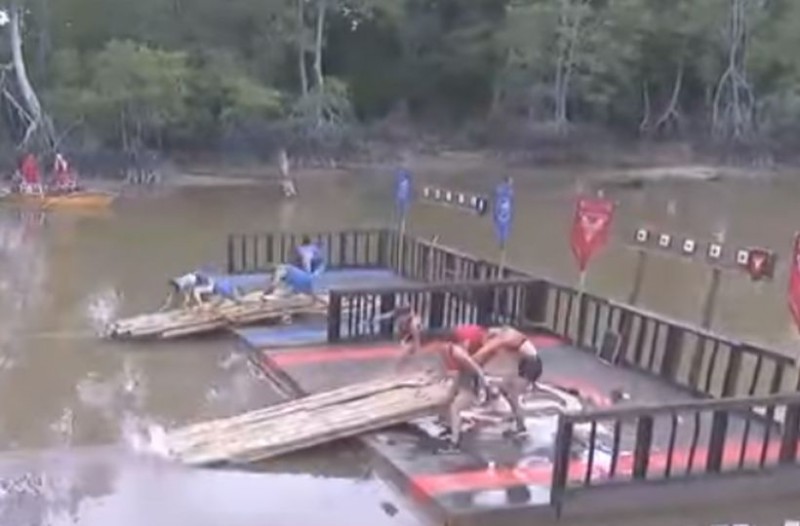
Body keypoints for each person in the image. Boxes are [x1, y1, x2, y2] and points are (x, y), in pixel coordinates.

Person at [469, 326, 545, 435]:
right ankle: (515, 415)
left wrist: (467, 360)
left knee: (513, 396)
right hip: (526, 365)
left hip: (530, 366)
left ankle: (521, 426)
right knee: (506, 388)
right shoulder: (509, 335)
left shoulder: (506, 337)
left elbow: (485, 351)